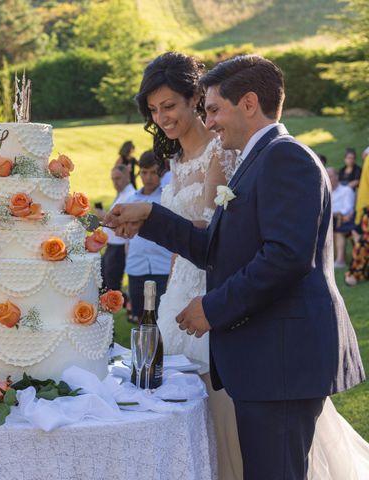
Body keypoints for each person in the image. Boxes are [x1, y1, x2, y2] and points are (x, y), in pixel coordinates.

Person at [106, 54, 366, 479]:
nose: (208, 123)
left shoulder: (286, 158)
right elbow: (218, 247)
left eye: (213, 110)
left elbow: (285, 258)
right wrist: (151, 218)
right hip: (262, 359)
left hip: (281, 358)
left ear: (248, 103)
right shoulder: (254, 159)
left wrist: (212, 308)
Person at [126, 52, 242, 479]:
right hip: (177, 293)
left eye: (169, 106)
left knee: (221, 422)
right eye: (154, 111)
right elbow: (179, 244)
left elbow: (216, 234)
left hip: (211, 294)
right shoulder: (175, 161)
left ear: (195, 97)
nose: (162, 118)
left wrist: (151, 218)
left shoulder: (221, 152)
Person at [125, 152, 171, 323]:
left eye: (153, 172)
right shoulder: (131, 200)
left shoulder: (167, 199)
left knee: (161, 318)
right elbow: (126, 239)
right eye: (144, 172)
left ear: (160, 172)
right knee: (139, 318)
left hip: (162, 268)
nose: (148, 177)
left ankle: (159, 349)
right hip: (136, 268)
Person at [99, 164, 135, 295]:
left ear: (127, 176)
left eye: (118, 178)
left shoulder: (131, 195)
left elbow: (125, 222)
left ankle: (122, 305)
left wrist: (104, 216)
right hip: (111, 244)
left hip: (119, 246)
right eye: (113, 179)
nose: (115, 182)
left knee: (112, 284)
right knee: (102, 281)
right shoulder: (122, 194)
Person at [328, 167, 356, 267]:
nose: (327, 179)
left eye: (330, 176)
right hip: (330, 221)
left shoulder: (346, 190)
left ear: (337, 177)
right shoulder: (324, 194)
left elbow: (348, 208)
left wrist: (336, 214)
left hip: (345, 220)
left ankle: (340, 260)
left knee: (338, 230)